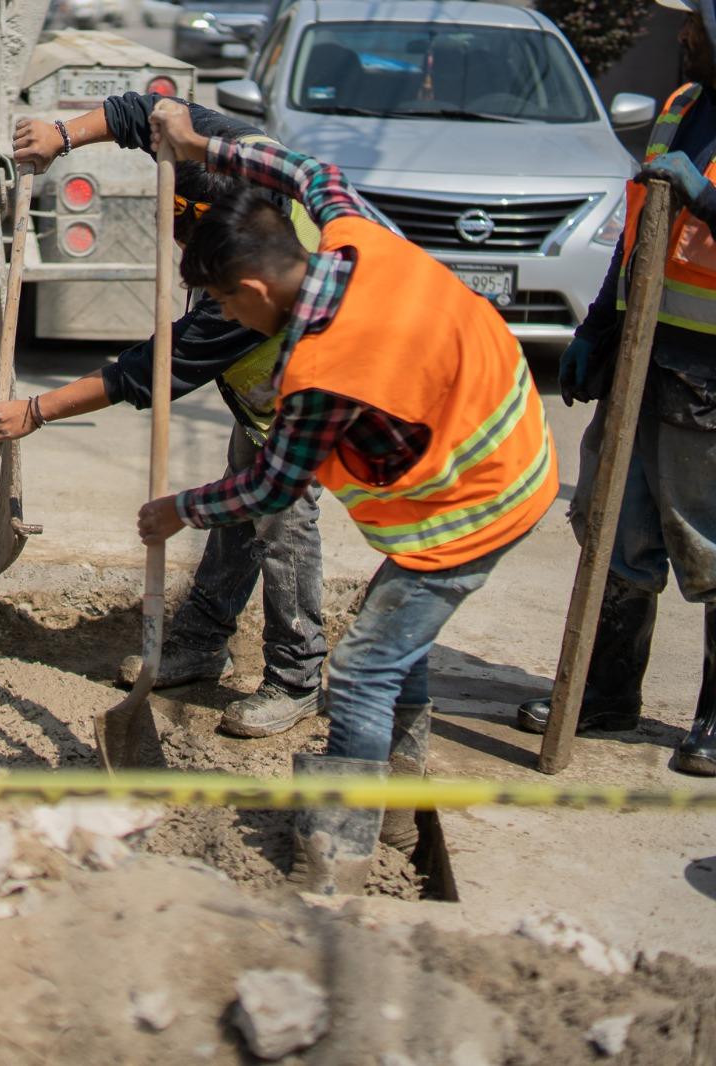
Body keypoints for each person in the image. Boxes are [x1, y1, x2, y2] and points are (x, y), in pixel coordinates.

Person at [141, 99, 558, 894]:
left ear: (257, 286)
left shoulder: (322, 373)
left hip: (473, 506)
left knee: (365, 668)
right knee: (398, 645)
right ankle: (400, 809)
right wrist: (208, 146)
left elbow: (272, 484)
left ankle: (340, 856)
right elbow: (306, 170)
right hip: (511, 439)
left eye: (227, 303)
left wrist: (178, 510)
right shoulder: (354, 236)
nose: (227, 318)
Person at [0, 95, 328, 739]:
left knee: (282, 519)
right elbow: (143, 110)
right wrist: (63, 135)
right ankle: (202, 640)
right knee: (241, 506)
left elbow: (146, 371)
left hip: (300, 402)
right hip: (262, 393)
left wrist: (36, 411)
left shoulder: (253, 302)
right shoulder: (235, 147)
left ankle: (297, 677)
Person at [514, 0, 716, 778]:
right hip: (643, 350)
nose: (683, 35)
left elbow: (688, 211)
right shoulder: (682, 106)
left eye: (696, 23)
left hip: (710, 376)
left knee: (707, 542)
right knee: (614, 528)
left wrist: (706, 197)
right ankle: (603, 693)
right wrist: (599, 325)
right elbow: (639, 232)